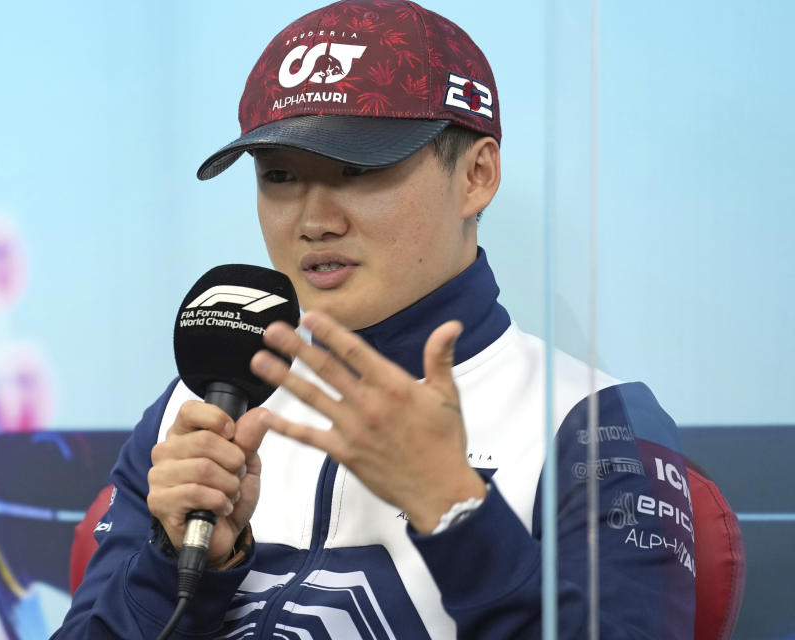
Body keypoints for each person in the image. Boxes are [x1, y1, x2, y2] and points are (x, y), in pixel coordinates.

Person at [54, 1, 696, 638]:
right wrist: (178, 564)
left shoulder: (588, 418)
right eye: (279, 176)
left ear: (477, 176)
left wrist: (455, 511)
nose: (315, 220)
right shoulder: (196, 411)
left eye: (360, 170)